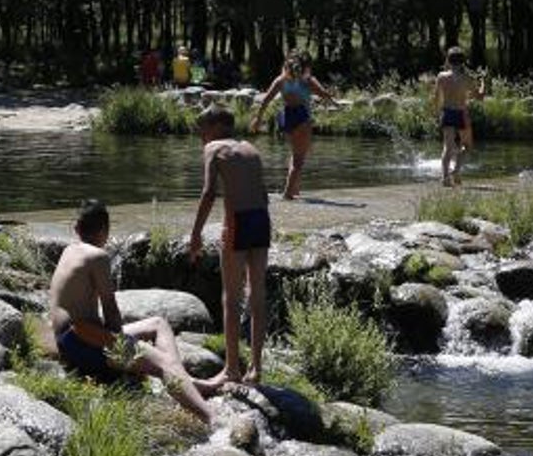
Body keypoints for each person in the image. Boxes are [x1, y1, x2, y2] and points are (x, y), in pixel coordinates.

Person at [49, 200, 215, 424]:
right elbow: (111, 311)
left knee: (158, 324)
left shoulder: (70, 250)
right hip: (83, 343)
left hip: (69, 340)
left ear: (77, 229)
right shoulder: (97, 256)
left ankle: (185, 381)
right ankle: (211, 418)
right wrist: (126, 353)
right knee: (162, 364)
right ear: (104, 230)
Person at [190, 105, 270, 385]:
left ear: (215, 127)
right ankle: (257, 368)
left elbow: (210, 192)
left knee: (231, 297)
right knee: (257, 295)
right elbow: (262, 194)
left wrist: (196, 234)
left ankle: (232, 370)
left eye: (202, 127)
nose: (201, 134)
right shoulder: (251, 148)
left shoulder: (213, 148)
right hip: (262, 220)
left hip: (238, 222)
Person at [250, 51, 337, 199]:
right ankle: (288, 193)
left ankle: (294, 190)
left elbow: (266, 100)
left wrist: (258, 119)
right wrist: (332, 99)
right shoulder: (308, 80)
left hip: (287, 117)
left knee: (295, 155)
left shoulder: (281, 80)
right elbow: (323, 94)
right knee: (299, 159)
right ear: (305, 66)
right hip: (302, 117)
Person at [433, 46, 486, 186]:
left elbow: (436, 97)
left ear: (448, 61)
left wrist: (437, 112)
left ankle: (445, 177)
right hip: (461, 113)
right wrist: (483, 84)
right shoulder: (468, 78)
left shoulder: (441, 76)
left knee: (448, 147)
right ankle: (456, 171)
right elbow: (480, 97)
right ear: (463, 62)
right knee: (467, 146)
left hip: (447, 112)